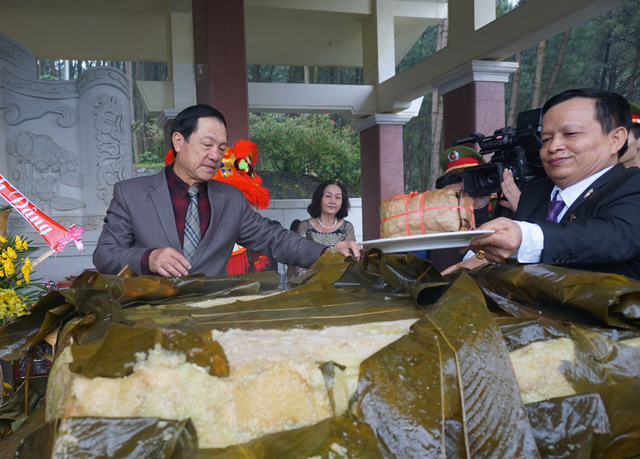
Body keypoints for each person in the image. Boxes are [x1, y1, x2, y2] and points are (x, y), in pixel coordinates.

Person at [93, 104, 361, 277]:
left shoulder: (230, 199)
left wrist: (329, 252)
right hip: (150, 318)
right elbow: (105, 254)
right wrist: (148, 258)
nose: (215, 156)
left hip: (212, 315)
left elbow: (275, 239)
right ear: (178, 141)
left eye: (221, 148)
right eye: (207, 144)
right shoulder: (131, 194)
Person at [444, 88, 640, 280]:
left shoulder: (632, 185)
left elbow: (617, 236)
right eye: (546, 139)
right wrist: (482, 256)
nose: (553, 147)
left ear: (616, 139)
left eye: (571, 134)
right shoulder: (535, 192)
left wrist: (524, 238)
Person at [287, 180, 355, 279]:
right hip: (309, 282)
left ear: (342, 202)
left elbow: (350, 262)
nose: (333, 201)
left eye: (337, 197)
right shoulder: (305, 226)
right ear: (319, 199)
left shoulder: (347, 227)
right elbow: (298, 260)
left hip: (338, 281)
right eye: (328, 196)